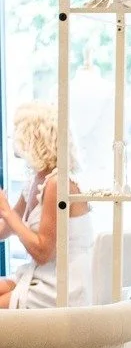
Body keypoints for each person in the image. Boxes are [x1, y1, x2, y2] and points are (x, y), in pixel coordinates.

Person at [0, 102, 93, 308]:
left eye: (17, 131)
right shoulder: (37, 180)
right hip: (38, 275)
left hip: (60, 286)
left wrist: (7, 212)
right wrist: (6, 214)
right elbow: (6, 227)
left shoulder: (57, 183)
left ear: (32, 136)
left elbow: (43, 252)